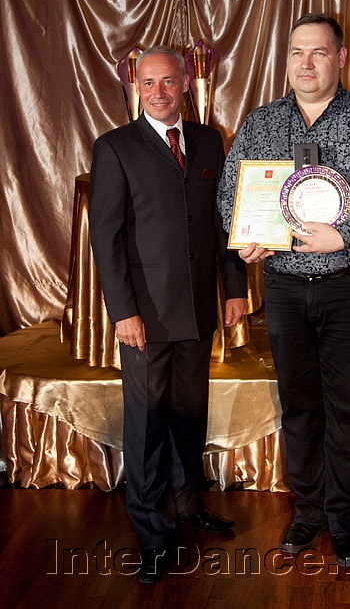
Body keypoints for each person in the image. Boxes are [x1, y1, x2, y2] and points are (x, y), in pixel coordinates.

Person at [217, 14, 350, 567]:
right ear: (287, 59)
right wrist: (245, 237)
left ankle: (346, 523)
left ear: (339, 58)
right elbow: (231, 193)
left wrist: (342, 235)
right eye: (297, 52)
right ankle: (309, 512)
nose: (306, 63)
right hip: (284, 288)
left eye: (318, 52)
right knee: (299, 405)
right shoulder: (261, 123)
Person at [89, 45, 248, 583]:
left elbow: (223, 222)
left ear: (184, 83)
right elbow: (106, 238)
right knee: (147, 426)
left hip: (199, 310)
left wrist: (234, 288)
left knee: (188, 416)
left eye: (168, 81)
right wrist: (123, 312)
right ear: (137, 87)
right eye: (148, 83)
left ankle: (187, 504)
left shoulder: (209, 140)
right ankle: (153, 535)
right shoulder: (114, 147)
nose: (159, 92)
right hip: (145, 317)